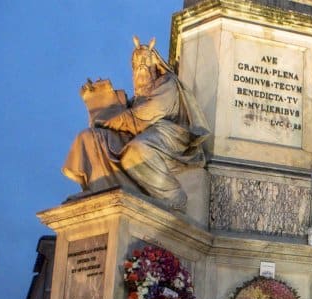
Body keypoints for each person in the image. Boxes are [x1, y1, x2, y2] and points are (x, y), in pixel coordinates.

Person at [63, 37, 210, 211]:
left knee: (137, 151)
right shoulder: (135, 99)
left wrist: (111, 120)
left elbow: (147, 114)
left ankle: (173, 196)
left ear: (155, 64)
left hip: (169, 133)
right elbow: (126, 117)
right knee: (88, 137)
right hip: (139, 133)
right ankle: (97, 188)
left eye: (145, 62)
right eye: (136, 64)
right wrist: (99, 101)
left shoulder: (167, 83)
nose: (140, 66)